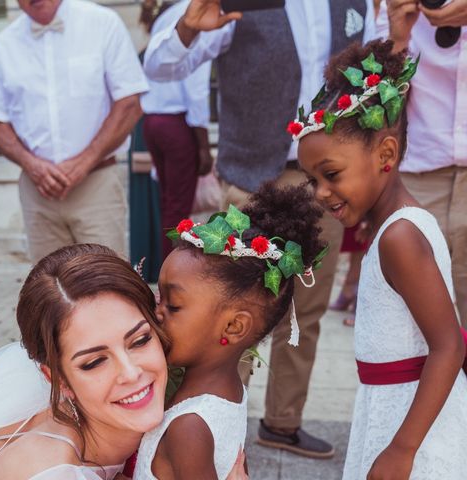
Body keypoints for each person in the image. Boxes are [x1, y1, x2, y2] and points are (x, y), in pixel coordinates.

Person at [142, 0, 377, 458]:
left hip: (323, 182)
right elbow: (162, 67)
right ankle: (217, 426)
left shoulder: (355, 4)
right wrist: (188, 29)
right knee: (231, 310)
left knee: (305, 313)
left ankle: (282, 423)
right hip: (253, 178)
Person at [294, 38, 467, 479]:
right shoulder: (392, 227)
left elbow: (449, 345)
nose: (320, 192)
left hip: (414, 427)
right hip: (392, 409)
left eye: (331, 174)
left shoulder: (400, 238)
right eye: (311, 179)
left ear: (386, 155)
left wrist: (402, 450)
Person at [0, 244, 170, 480]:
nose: (131, 372)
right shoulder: (50, 471)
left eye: (139, 341)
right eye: (94, 362)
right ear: (57, 379)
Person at [134, 183, 327, 479]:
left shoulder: (189, 426)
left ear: (234, 327)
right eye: (160, 297)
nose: (156, 312)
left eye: (173, 306)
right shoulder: (229, 392)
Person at [0, 0, 147, 262]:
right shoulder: (3, 46)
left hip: (97, 184)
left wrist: (83, 163)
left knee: (106, 283)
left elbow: (129, 104)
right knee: (48, 291)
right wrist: (33, 166)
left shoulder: (103, 23)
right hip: (38, 193)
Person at [376, 0, 467, 327]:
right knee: (413, 325)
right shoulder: (399, 7)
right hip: (419, 179)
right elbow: (380, 109)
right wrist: (398, 40)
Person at [140, 0, 214, 261]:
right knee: (178, 208)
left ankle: (165, 267)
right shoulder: (198, 14)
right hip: (176, 123)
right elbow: (196, 87)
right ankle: (171, 271)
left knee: (169, 203)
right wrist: (203, 144)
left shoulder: (166, 16)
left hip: (152, 120)